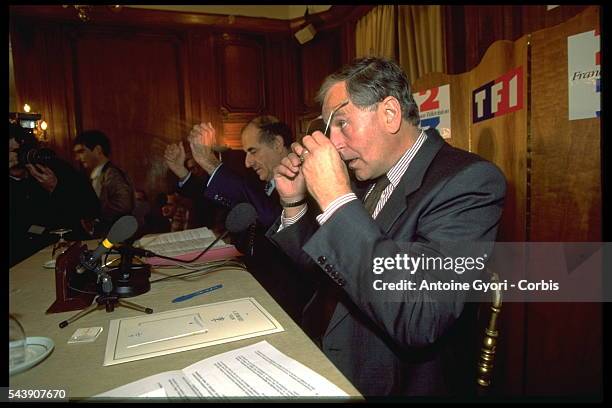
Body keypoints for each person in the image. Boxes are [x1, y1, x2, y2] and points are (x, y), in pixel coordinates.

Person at [269, 57, 507, 396]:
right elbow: (323, 271)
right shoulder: (366, 175)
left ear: (390, 114)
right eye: (327, 129)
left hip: (390, 382)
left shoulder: (468, 182)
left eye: (342, 123)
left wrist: (337, 199)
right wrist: (294, 203)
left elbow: (420, 316)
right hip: (322, 353)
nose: (333, 143)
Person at [163, 116, 314, 322]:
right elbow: (217, 199)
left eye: (253, 151)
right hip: (251, 285)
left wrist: (209, 161)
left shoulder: (307, 180)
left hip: (285, 305)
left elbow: (273, 217)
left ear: (278, 144)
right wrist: (182, 172)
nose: (247, 162)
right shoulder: (262, 180)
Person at [9, 122, 99, 266]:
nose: (14, 155)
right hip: (22, 260)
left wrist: (56, 189)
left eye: (17, 150)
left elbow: (91, 207)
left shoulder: (54, 167)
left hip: (67, 251)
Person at [73, 130, 135, 236]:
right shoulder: (98, 174)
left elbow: (124, 204)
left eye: (81, 151)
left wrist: (93, 212)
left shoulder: (111, 173)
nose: (77, 158)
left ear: (98, 150)